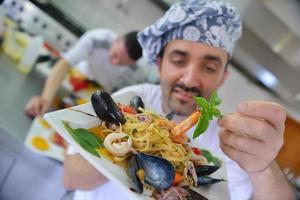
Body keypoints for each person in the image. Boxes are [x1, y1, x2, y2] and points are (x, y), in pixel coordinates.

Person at [62, 0, 296, 200]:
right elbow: (71, 177)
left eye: (209, 67)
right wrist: (137, 141)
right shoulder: (135, 96)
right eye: (178, 60)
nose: (190, 79)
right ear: (159, 63)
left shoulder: (229, 140)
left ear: (222, 78)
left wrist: (264, 168)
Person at [25, 29, 142, 117]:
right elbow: (64, 64)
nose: (115, 62)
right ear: (117, 40)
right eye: (115, 55)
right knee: (46, 108)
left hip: (98, 96)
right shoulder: (97, 38)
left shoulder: (136, 68)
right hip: (74, 80)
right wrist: (46, 99)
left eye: (121, 63)